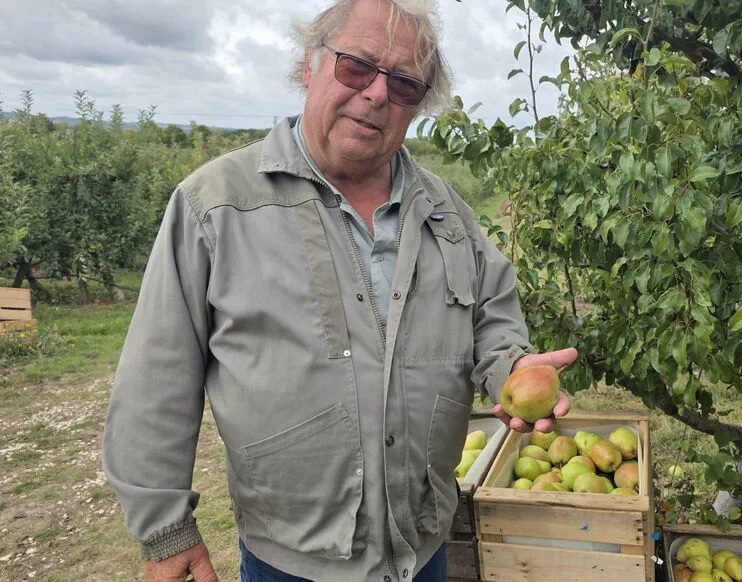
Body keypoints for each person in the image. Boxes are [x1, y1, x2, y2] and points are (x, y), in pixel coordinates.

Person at [102, 0, 577, 580]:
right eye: (357, 66)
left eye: (403, 83)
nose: (377, 94)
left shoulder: (448, 214)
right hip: (291, 561)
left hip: (421, 549)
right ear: (310, 64)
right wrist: (165, 530)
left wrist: (512, 366)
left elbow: (492, 319)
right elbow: (158, 375)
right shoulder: (216, 206)